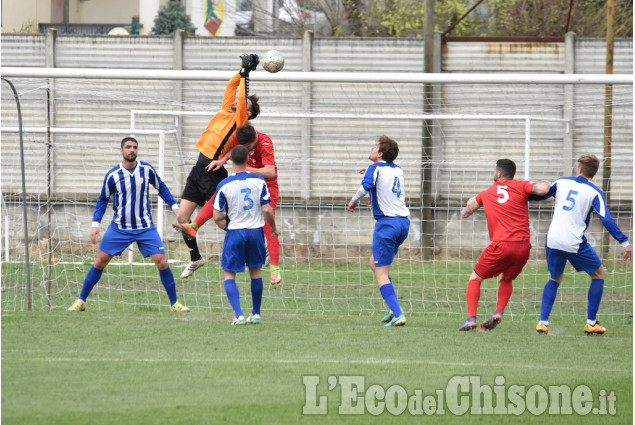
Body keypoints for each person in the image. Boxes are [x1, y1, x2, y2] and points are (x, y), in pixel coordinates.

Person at [67, 137, 189, 312]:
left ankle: (174, 304)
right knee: (100, 262)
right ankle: (81, 301)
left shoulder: (147, 170)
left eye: (135, 147)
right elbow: (103, 200)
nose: (132, 150)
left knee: (162, 262)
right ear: (121, 150)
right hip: (120, 228)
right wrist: (95, 224)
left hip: (145, 226)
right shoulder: (113, 175)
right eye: (128, 147)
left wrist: (175, 207)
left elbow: (161, 187)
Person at [174, 54, 261, 279]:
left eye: (244, 105)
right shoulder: (225, 111)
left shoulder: (240, 120)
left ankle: (257, 247)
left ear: (248, 113)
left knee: (223, 219)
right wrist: (241, 72)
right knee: (182, 218)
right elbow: (231, 88)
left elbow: (241, 100)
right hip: (197, 170)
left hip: (213, 174)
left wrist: (246, 76)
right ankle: (196, 258)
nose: (237, 103)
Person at [535, 154, 631, 335]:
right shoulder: (594, 192)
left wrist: (522, 194)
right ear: (594, 173)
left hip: (553, 239)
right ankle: (591, 323)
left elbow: (540, 194)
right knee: (599, 273)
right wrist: (624, 241)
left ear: (579, 169)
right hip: (574, 242)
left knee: (555, 278)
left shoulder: (562, 182)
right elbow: (606, 219)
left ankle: (543, 322)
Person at [173, 124, 282, 284]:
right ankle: (194, 226)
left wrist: (247, 169)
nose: (245, 151)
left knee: (268, 223)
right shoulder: (237, 135)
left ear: (255, 139)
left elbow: (270, 172)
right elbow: (233, 151)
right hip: (246, 182)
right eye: (242, 148)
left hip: (265, 185)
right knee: (222, 191)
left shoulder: (265, 142)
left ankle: (275, 270)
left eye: (249, 147)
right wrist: (223, 160)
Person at [459, 159, 550, 331]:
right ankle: (498, 312)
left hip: (501, 245)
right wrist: (550, 183)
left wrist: (476, 199)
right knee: (507, 278)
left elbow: (465, 212)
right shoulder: (522, 185)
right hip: (523, 247)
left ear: (499, 173)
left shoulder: (486, 193)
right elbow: (543, 189)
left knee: (475, 278)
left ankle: (471, 319)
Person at [211, 145, 280, 325]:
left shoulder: (224, 184)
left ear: (231, 160)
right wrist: (273, 228)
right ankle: (256, 314)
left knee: (229, 274)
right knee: (255, 272)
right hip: (256, 232)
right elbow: (267, 209)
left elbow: (217, 215)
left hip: (235, 232)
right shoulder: (259, 181)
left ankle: (239, 315)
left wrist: (229, 227)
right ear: (248, 159)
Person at [347, 135, 409, 327]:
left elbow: (366, 187)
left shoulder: (375, 169)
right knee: (375, 264)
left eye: (374, 146)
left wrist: (353, 200)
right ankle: (392, 309)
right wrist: (370, 172)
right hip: (403, 224)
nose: (372, 148)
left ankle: (398, 314)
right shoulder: (397, 170)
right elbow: (383, 184)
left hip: (387, 225)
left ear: (379, 153)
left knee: (381, 272)